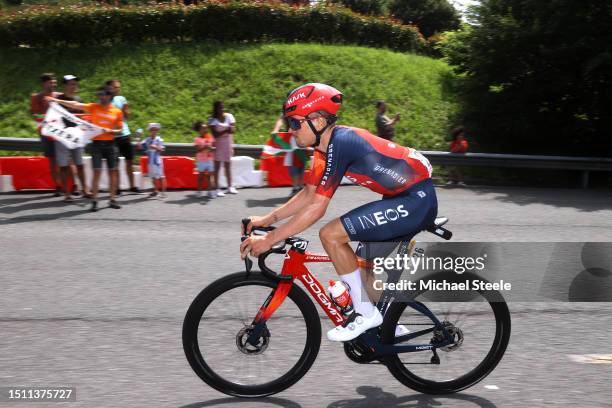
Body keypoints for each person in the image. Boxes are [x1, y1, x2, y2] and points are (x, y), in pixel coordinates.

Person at [240, 83, 437, 342]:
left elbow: (317, 208)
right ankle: (388, 328)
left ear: (318, 120)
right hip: (401, 198)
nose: (290, 129)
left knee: (331, 235)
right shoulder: (322, 151)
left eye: (295, 123)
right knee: (363, 267)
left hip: (415, 200)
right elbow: (308, 195)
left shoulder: (341, 142)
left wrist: (268, 240)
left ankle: (365, 315)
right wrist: (267, 220)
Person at [47, 86, 124, 212]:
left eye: (102, 94)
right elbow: (76, 104)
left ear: (109, 96)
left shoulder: (117, 112)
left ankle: (112, 199)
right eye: (98, 94)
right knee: (97, 171)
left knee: (112, 171)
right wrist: (58, 101)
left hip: (110, 144)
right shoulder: (94, 107)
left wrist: (110, 130)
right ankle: (94, 200)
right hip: (96, 144)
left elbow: (120, 130)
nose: (100, 96)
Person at [55, 74, 90, 202]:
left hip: (77, 136)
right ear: (64, 85)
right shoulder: (58, 100)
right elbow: (53, 119)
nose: (74, 86)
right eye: (71, 84)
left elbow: (83, 118)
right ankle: (67, 194)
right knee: (64, 166)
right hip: (62, 136)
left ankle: (85, 190)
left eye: (75, 84)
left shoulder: (79, 100)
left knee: (80, 164)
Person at [107, 79, 141, 194]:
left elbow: (127, 117)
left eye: (118, 87)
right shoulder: (105, 101)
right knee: (115, 164)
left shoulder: (122, 99)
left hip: (125, 134)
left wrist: (126, 110)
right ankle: (117, 188)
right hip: (113, 137)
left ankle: (132, 186)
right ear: (109, 88)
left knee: (129, 161)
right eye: (115, 87)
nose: (118, 89)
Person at [31, 73, 61, 196]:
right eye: (51, 82)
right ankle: (58, 186)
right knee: (53, 160)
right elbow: (34, 114)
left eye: (54, 82)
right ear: (44, 84)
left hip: (61, 132)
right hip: (46, 132)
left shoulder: (59, 96)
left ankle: (72, 186)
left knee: (67, 159)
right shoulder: (36, 97)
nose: (53, 85)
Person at [208, 101, 238, 196]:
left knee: (228, 165)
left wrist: (228, 130)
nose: (222, 109)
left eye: (223, 107)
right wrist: (226, 129)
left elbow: (233, 130)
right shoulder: (212, 119)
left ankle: (230, 186)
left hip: (228, 143)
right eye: (220, 108)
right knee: (217, 167)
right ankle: (217, 188)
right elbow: (215, 135)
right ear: (216, 109)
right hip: (217, 144)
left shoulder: (229, 116)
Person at [272, 115, 306, 197]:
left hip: (303, 137)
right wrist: (276, 130)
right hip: (291, 138)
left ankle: (300, 187)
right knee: (293, 163)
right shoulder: (288, 109)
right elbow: (281, 119)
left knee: (301, 163)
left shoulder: (303, 108)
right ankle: (296, 187)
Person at [138, 123, 167, 199]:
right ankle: (156, 190)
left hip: (157, 162)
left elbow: (162, 149)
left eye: (155, 130)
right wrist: (138, 137)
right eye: (152, 130)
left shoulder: (159, 139)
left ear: (157, 130)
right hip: (150, 162)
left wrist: (156, 147)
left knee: (161, 176)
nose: (153, 131)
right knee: (152, 177)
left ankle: (163, 193)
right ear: (150, 131)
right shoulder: (147, 140)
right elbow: (140, 147)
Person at [193, 121, 216, 198]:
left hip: (210, 159)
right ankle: (199, 191)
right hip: (201, 160)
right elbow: (197, 150)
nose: (205, 129)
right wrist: (205, 147)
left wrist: (212, 148)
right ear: (199, 130)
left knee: (209, 175)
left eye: (206, 128)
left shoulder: (210, 137)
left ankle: (210, 191)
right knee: (201, 176)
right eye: (203, 128)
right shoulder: (197, 139)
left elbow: (214, 147)